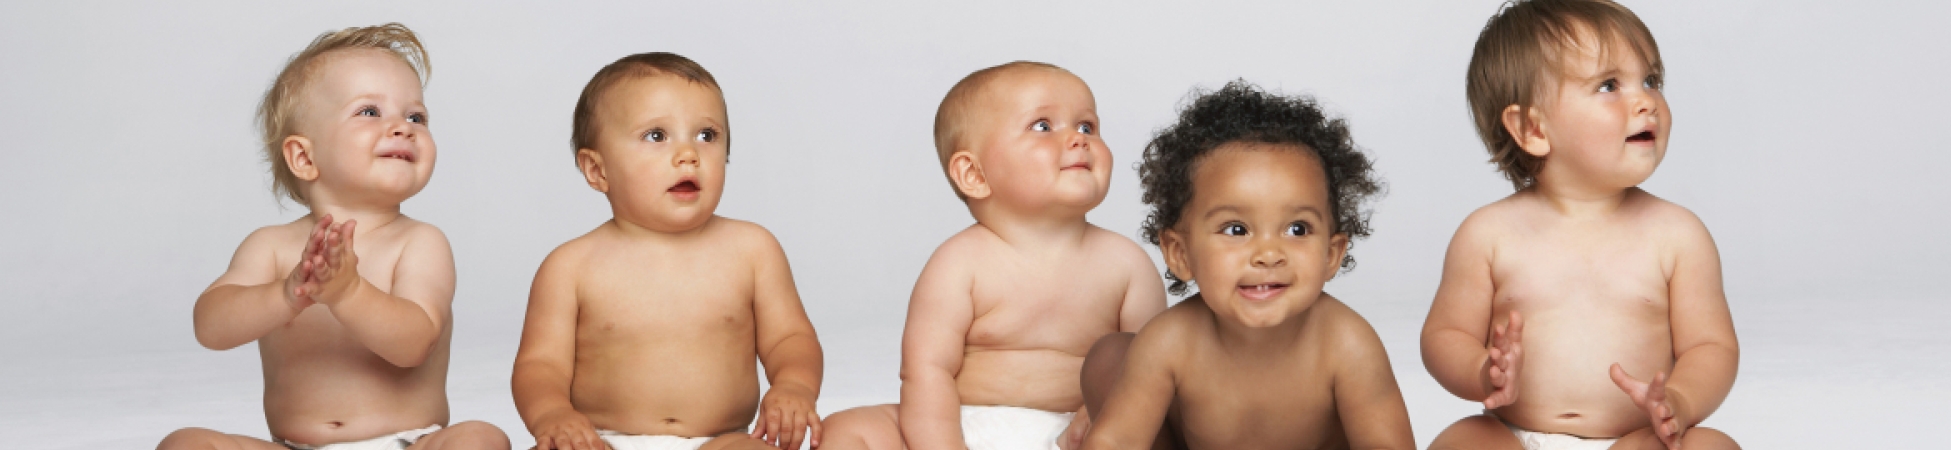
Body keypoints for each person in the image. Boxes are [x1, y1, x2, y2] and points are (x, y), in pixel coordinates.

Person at [158, 22, 509, 450]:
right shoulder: (271, 247)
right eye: (370, 112)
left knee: (481, 439)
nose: (403, 127)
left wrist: (348, 292)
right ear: (304, 157)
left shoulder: (420, 243)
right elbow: (211, 327)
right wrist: (287, 295)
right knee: (186, 443)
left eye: (415, 116)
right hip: (295, 445)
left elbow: (415, 344)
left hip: (407, 442)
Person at [1422, 1, 1740, 449]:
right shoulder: (1488, 234)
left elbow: (1711, 347)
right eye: (1609, 85)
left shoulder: (1678, 235)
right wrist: (1482, 370)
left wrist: (1680, 399)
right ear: (1533, 129)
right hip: (1513, 435)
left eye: (1651, 80)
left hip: (1633, 438)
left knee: (1712, 445)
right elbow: (1444, 336)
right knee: (1461, 440)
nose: (1647, 101)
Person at [817, 61, 1168, 450]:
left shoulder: (1127, 265)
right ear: (975, 174)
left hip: (1078, 434)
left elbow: (1150, 370)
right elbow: (927, 371)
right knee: (845, 430)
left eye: (1087, 127)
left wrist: (1104, 414)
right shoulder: (958, 263)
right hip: (962, 425)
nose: (1078, 139)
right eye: (1043, 126)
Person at [511, 52, 824, 450]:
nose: (688, 154)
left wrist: (794, 386)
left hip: (721, 439)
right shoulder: (571, 267)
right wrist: (552, 414)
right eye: (657, 136)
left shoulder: (753, 251)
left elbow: (790, 338)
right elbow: (540, 365)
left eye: (706, 135)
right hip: (602, 439)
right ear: (598, 170)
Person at [1078, 81, 1413, 450]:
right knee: (1111, 357)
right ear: (1180, 253)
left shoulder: (1347, 344)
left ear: (1331, 254)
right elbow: (1117, 439)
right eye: (1236, 229)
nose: (1268, 254)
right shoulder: (1170, 342)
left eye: (1297, 229)